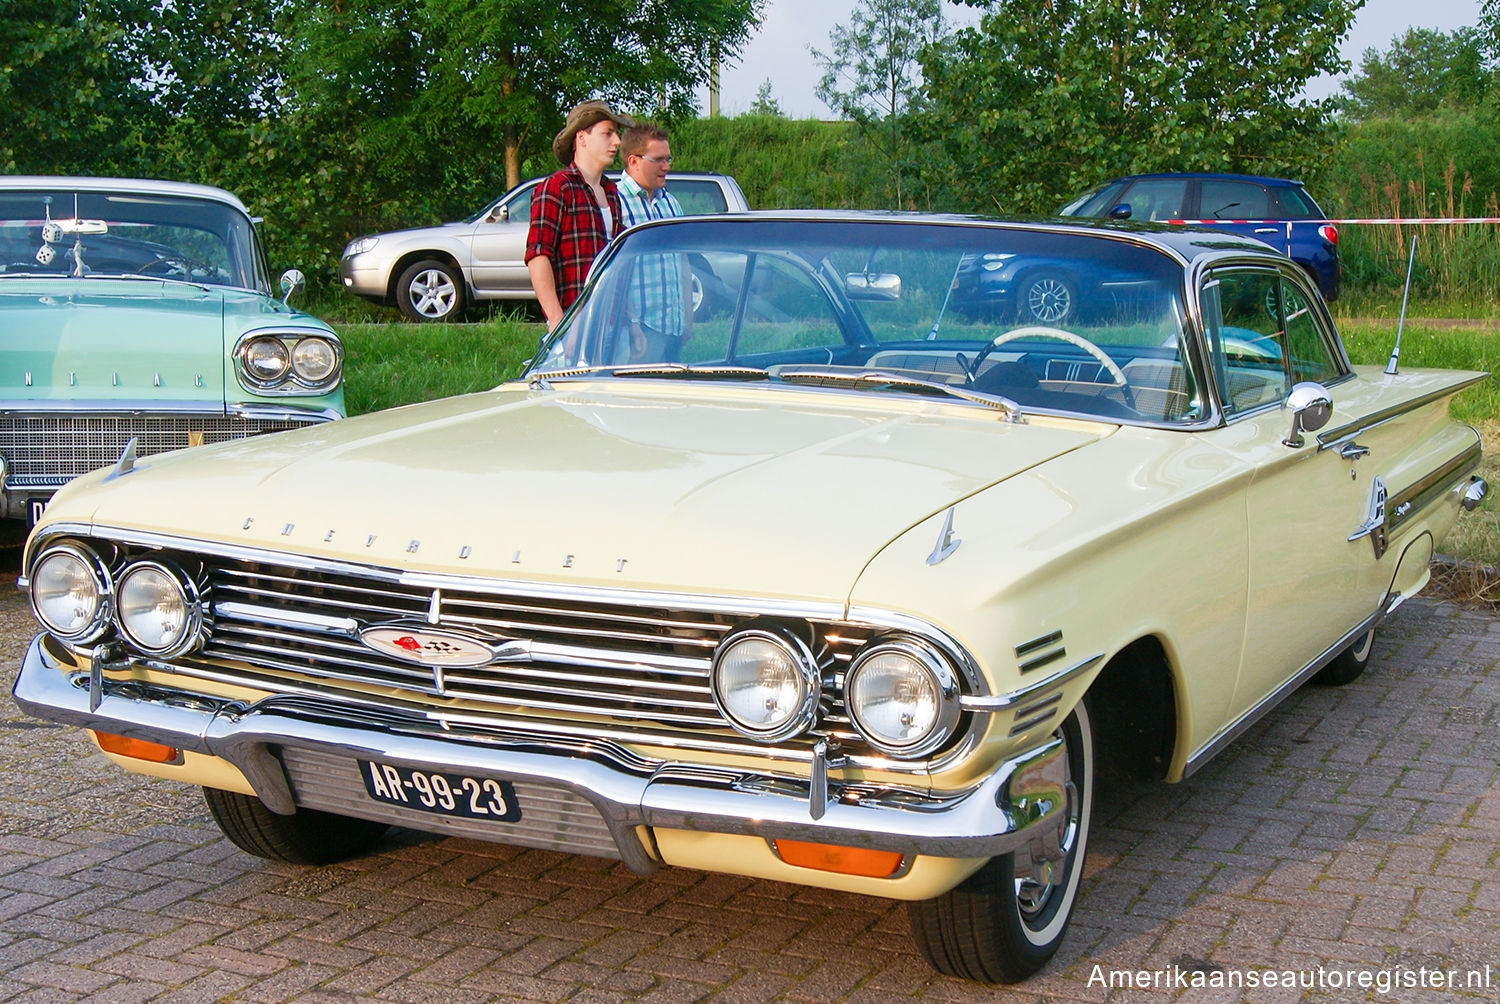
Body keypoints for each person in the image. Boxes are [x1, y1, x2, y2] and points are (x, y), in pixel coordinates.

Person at [525, 99, 633, 336]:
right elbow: (538, 255)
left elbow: (618, 265)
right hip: (573, 322)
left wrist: (631, 324)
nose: (616, 141)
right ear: (582, 138)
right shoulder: (556, 188)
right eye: (608, 133)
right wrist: (557, 320)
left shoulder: (612, 192)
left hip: (613, 325)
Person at [614, 122, 693, 363]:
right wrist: (632, 324)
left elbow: (683, 261)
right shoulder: (615, 203)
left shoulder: (671, 204)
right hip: (638, 331)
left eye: (668, 159)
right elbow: (613, 272)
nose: (666, 167)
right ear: (633, 161)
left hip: (673, 329)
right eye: (658, 160)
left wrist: (687, 319)